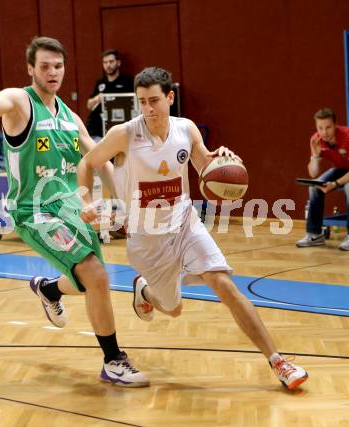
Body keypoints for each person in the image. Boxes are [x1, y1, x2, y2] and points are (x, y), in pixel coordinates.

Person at [77, 66, 309, 390]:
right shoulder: (125, 134)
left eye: (154, 100)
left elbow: (204, 166)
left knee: (223, 283)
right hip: (147, 240)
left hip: (185, 223)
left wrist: (221, 161)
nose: (148, 109)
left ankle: (279, 362)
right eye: (142, 101)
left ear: (170, 97)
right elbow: (86, 162)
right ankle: (144, 289)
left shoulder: (185, 129)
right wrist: (85, 200)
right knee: (173, 311)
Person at [0, 17, 148, 387]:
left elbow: (99, 159)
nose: (52, 72)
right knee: (95, 275)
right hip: (33, 211)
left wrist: (119, 205)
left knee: (86, 282)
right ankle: (113, 361)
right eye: (44, 66)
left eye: (58, 66)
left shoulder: (69, 116)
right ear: (30, 68)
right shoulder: (18, 102)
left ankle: (48, 288)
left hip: (69, 207)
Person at [296, 108, 349, 250]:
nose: (324, 132)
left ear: (335, 125)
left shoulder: (347, 136)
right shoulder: (316, 140)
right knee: (314, 186)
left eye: (328, 127)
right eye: (320, 128)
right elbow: (313, 173)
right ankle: (315, 235)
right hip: (341, 169)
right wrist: (315, 156)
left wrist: (335, 184)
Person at [85, 49, 134, 141]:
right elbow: (89, 105)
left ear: (118, 63)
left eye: (111, 62)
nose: (108, 65)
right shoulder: (100, 83)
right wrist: (97, 98)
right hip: (97, 130)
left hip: (120, 129)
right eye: (105, 62)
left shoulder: (127, 81)